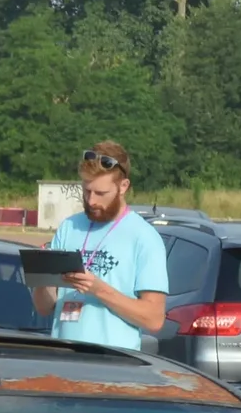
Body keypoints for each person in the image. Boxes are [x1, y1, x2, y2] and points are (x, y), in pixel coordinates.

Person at [35, 142, 167, 352]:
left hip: (113, 366)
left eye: (101, 193)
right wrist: (41, 276)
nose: (92, 201)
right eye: (87, 191)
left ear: (123, 186)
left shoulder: (143, 236)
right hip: (63, 360)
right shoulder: (69, 227)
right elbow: (44, 307)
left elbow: (154, 319)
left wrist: (98, 290)